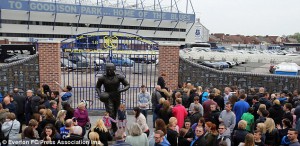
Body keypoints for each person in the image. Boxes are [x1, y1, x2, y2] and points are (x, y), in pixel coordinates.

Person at [96, 63, 130, 133]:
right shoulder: (102, 78)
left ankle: (113, 126)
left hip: (117, 95)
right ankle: (113, 127)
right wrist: (100, 95)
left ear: (114, 69)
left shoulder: (119, 77)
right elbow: (97, 87)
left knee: (116, 111)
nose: (109, 71)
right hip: (108, 96)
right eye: (107, 69)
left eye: (111, 69)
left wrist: (121, 90)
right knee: (110, 112)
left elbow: (127, 85)